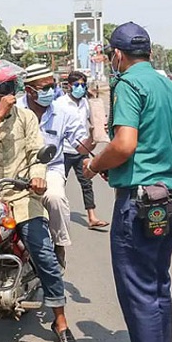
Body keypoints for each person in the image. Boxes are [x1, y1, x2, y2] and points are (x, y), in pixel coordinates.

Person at [83, 22, 172, 342]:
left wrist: (95, 165)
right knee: (158, 283)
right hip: (169, 199)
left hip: (139, 203)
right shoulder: (171, 88)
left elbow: (124, 145)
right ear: (150, 52)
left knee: (139, 290)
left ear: (117, 55)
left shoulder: (128, 84)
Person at [0, 59, 79, 342]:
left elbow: (36, 152)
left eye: (12, 87)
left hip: (21, 194)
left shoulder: (26, 117)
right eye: (4, 88)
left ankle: (61, 323)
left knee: (43, 254)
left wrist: (38, 177)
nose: (11, 93)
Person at [17, 63, 93, 270]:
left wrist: (94, 137)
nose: (50, 92)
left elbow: (80, 144)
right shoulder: (15, 110)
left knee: (55, 198)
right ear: (29, 90)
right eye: (44, 88)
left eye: (52, 86)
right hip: (17, 170)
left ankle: (59, 244)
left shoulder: (62, 112)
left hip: (50, 168)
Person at [57, 71, 109, 229]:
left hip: (82, 149)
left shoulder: (86, 103)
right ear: (70, 86)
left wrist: (100, 125)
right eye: (77, 85)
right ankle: (53, 217)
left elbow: (95, 120)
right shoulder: (60, 104)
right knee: (58, 185)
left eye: (83, 85)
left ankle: (92, 217)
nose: (80, 88)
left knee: (86, 183)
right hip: (64, 150)